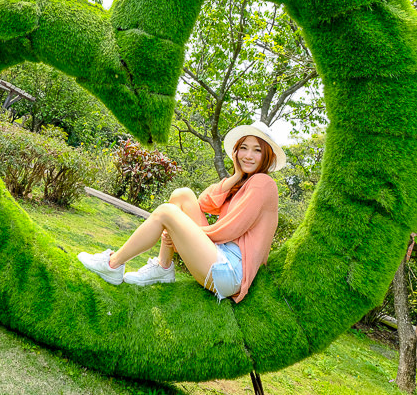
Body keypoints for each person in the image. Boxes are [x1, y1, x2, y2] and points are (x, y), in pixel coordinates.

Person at [78, 121, 285, 303]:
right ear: (236, 152)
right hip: (219, 256)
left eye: (257, 150)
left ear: (267, 155)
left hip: (230, 272)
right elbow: (204, 203)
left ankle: (112, 265)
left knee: (167, 213)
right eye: (244, 148)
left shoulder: (263, 183)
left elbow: (231, 229)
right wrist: (236, 176)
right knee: (182, 195)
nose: (248, 155)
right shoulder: (244, 182)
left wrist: (181, 233)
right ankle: (163, 268)